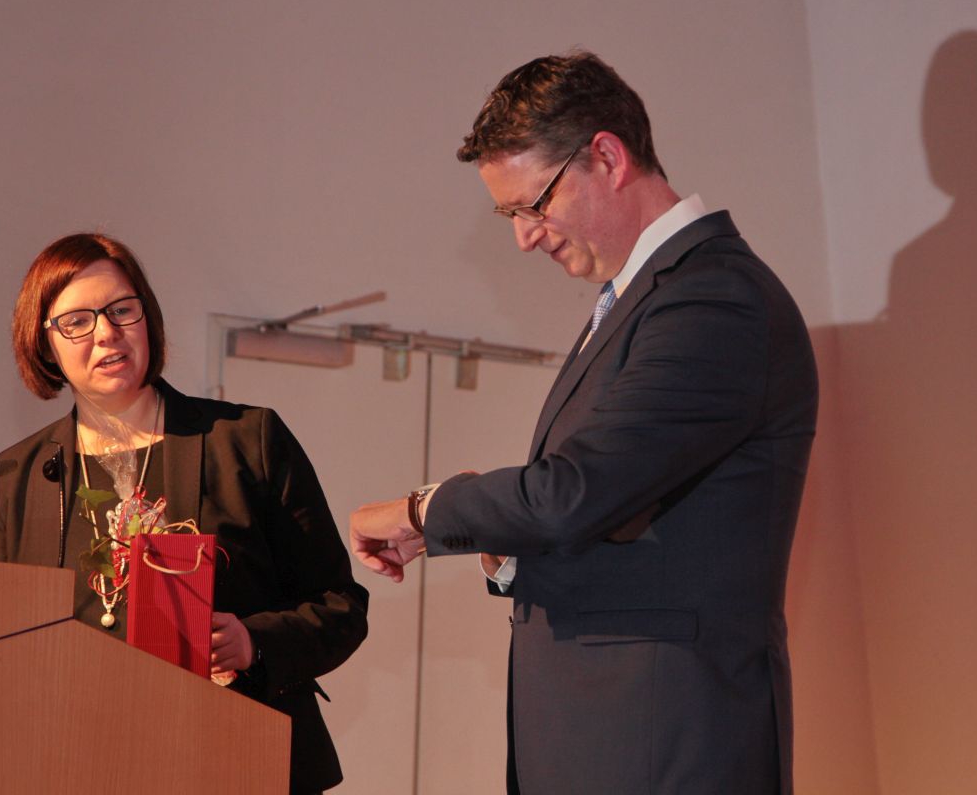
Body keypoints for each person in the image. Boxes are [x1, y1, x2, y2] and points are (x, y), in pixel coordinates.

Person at [350, 52, 817, 794]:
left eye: (533, 204)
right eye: (510, 215)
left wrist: (425, 509)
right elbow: (616, 513)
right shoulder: (644, 300)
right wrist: (505, 549)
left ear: (607, 157)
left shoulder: (714, 299)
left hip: (664, 748)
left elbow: (573, 494)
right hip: (609, 742)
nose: (524, 236)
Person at [0, 233, 367, 794]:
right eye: (77, 322)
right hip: (75, 765)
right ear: (44, 344)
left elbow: (340, 606)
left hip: (236, 758)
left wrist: (255, 643)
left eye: (121, 310)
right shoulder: (14, 478)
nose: (106, 333)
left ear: (148, 318)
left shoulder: (246, 441)